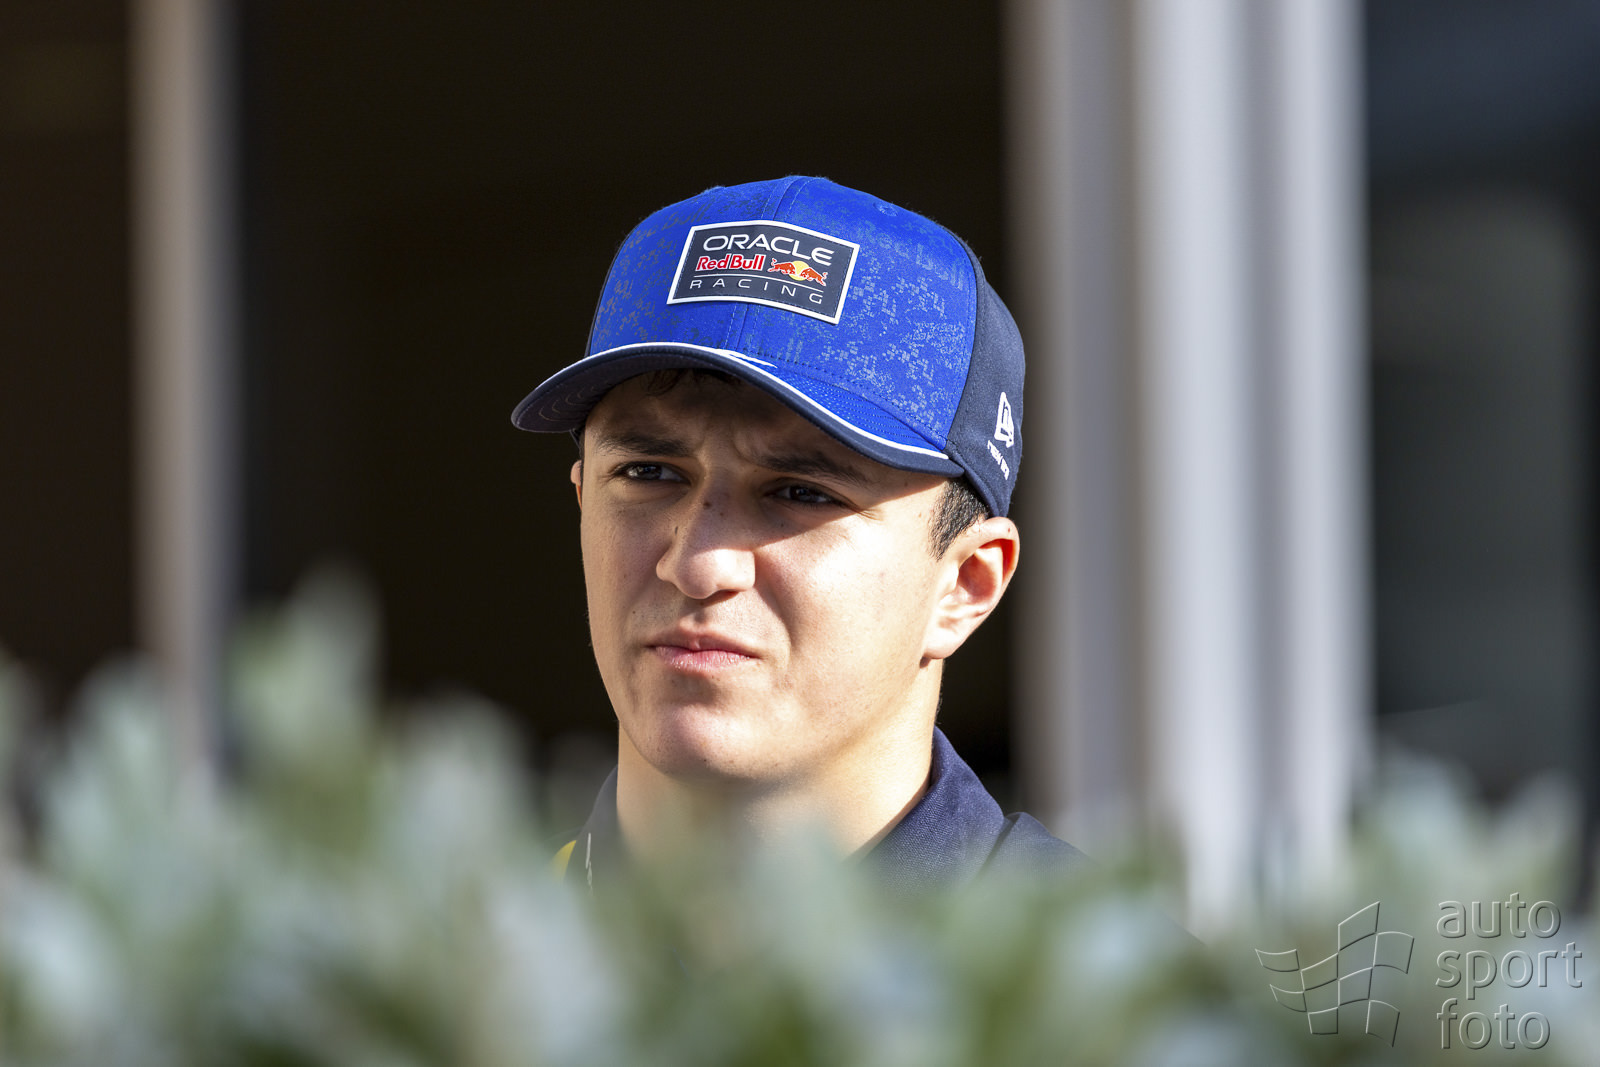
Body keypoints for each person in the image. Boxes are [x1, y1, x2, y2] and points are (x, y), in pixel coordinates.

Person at [512, 176, 1084, 891]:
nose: (698, 563)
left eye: (800, 492)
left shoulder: (1107, 963)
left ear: (964, 585)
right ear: (582, 506)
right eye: (649, 473)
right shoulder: (443, 949)